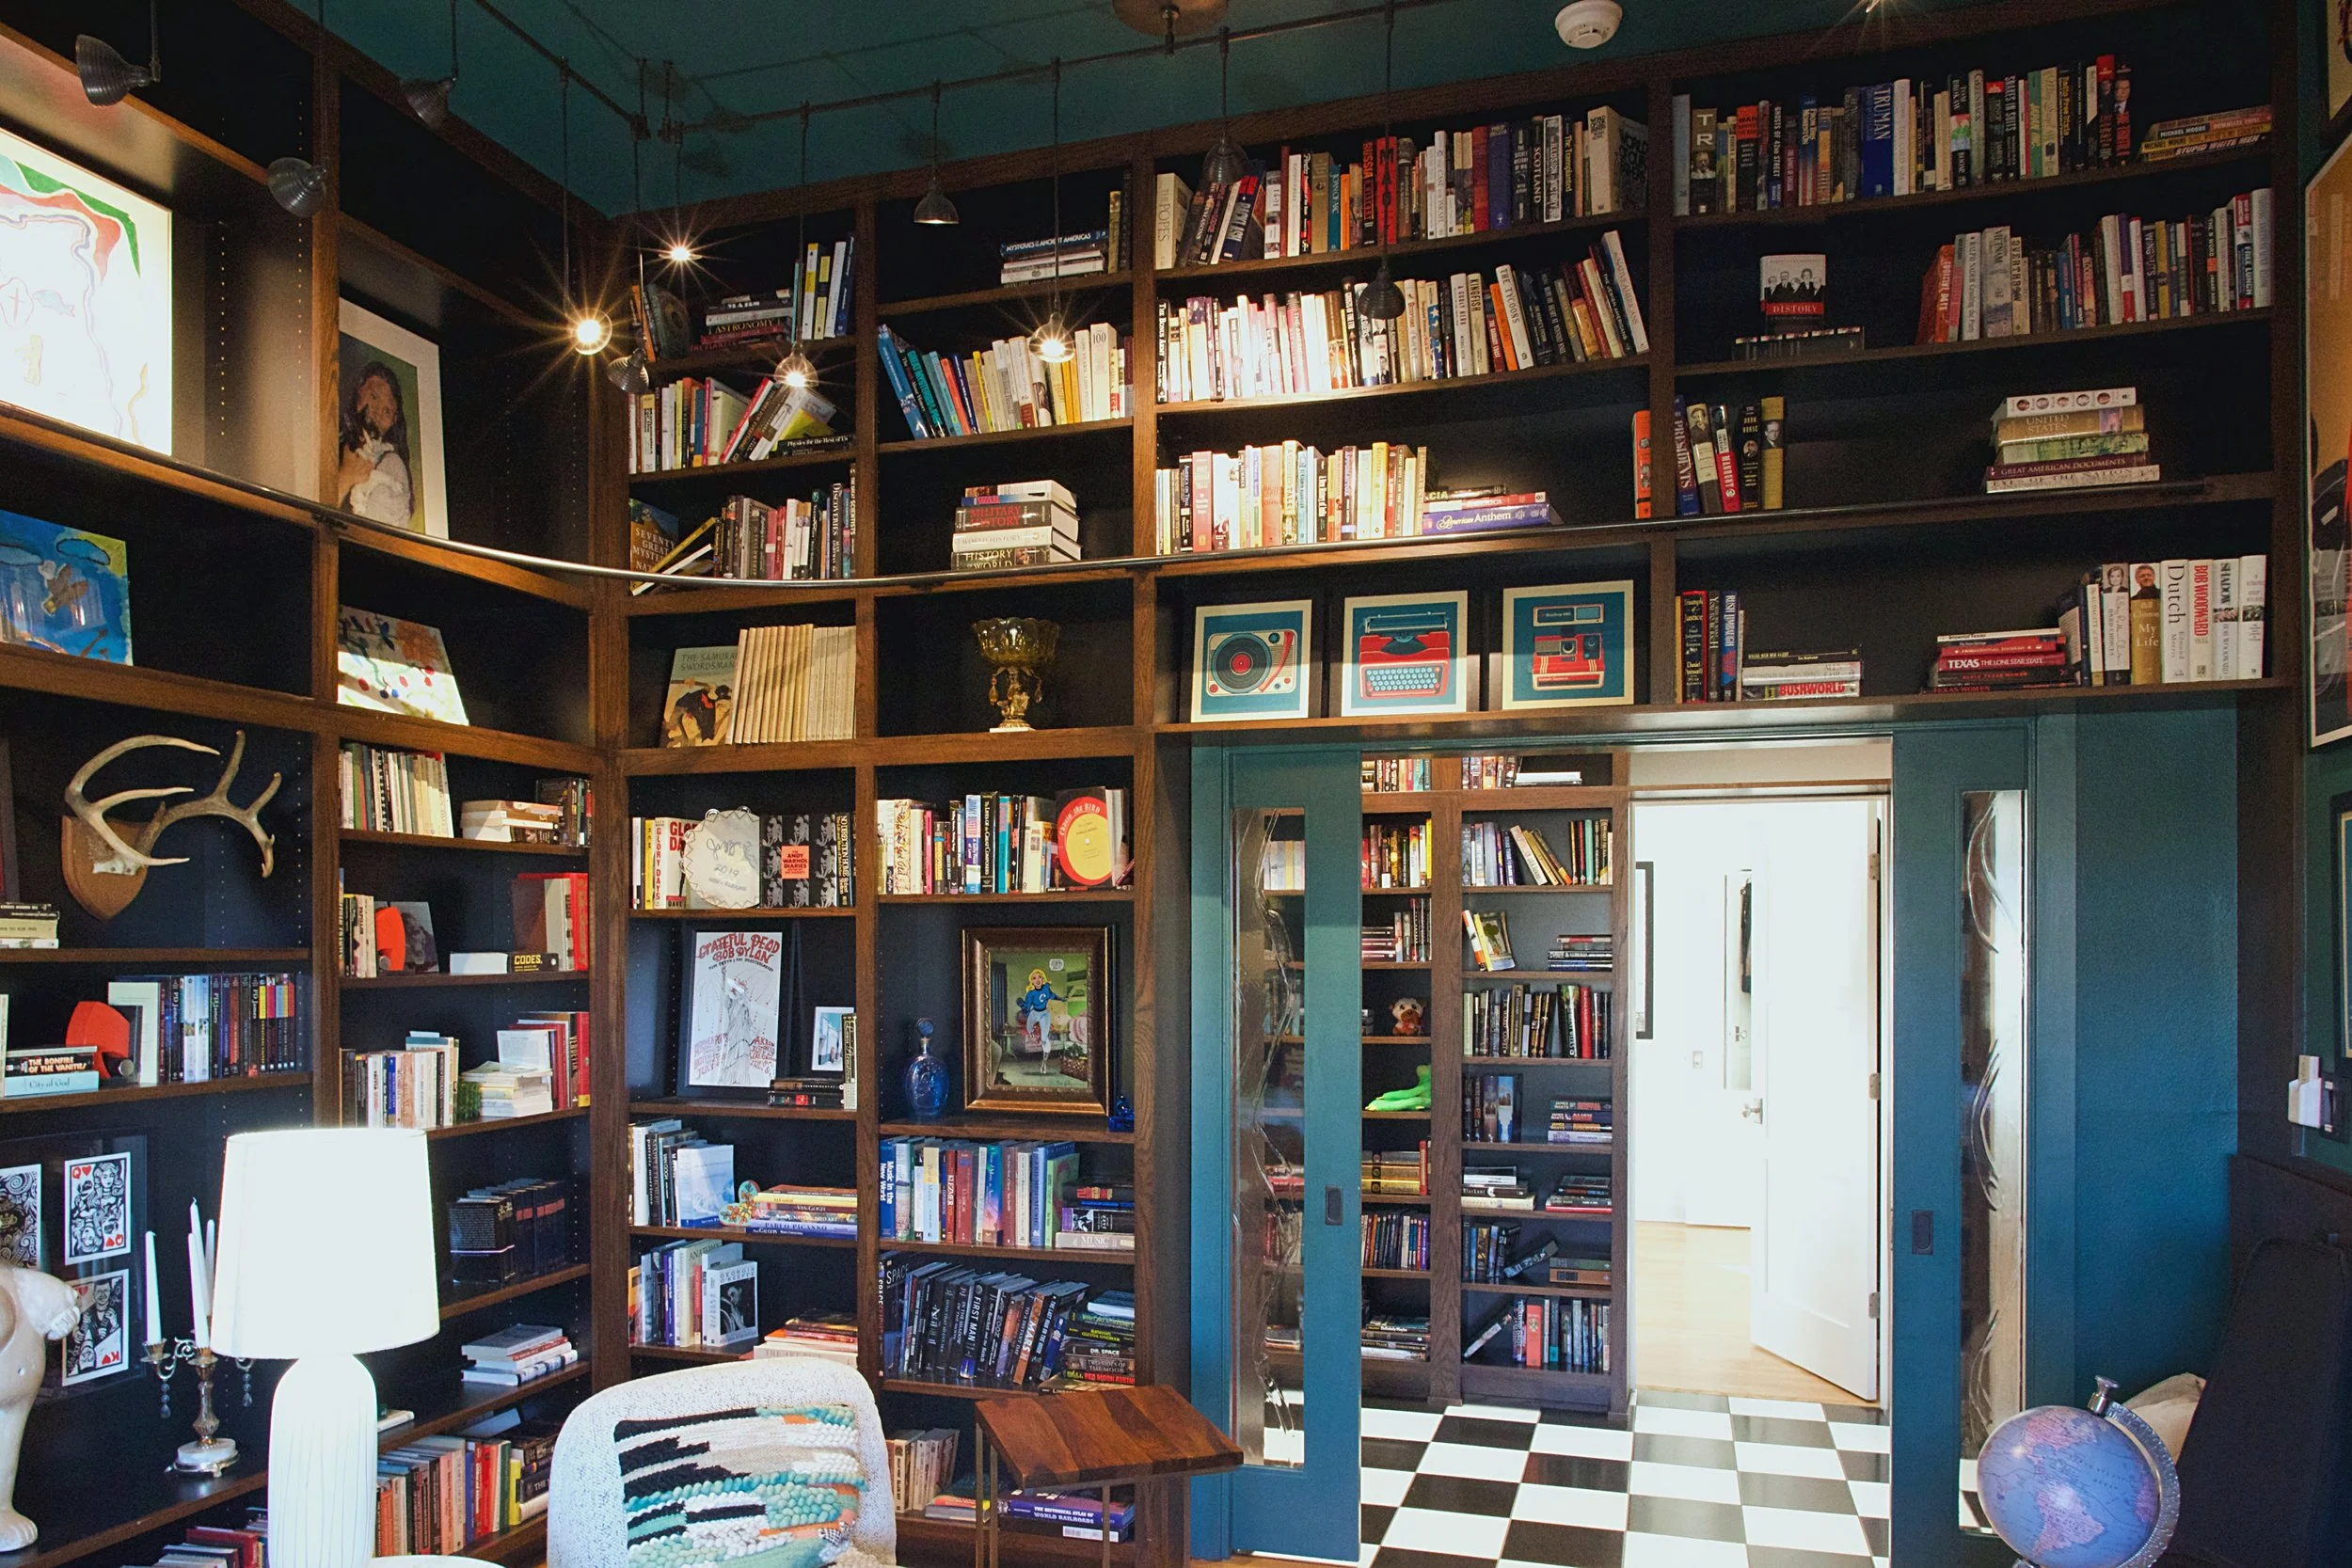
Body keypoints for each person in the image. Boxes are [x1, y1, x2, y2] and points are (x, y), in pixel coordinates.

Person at [338, 359, 415, 526]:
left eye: (387, 411)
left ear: (394, 421)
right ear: (358, 389)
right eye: (373, 397)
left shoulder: (390, 464)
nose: (376, 412)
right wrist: (347, 475)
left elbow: (370, 535)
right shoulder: (333, 438)